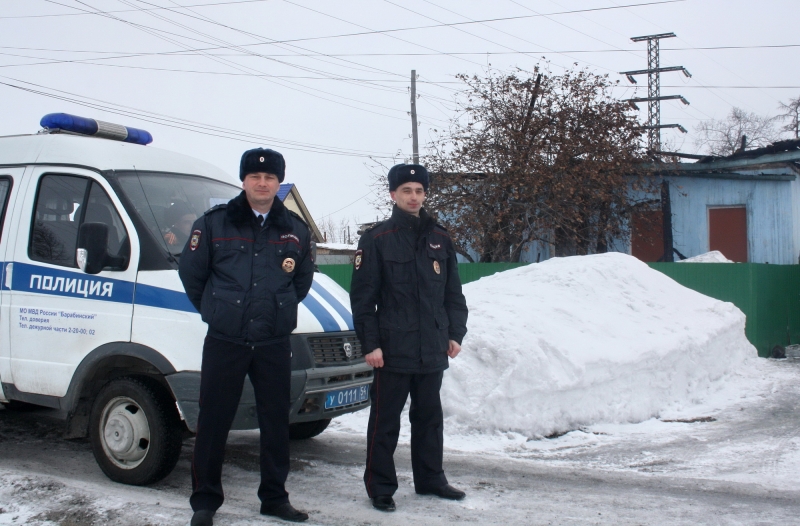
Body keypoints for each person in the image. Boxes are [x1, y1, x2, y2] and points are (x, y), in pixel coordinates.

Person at [179, 148, 314, 525]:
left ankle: (274, 498)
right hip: (227, 340)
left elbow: (300, 281)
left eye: (270, 177)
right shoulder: (214, 224)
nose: (262, 183)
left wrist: (277, 308)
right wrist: (217, 310)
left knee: (275, 422)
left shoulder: (295, 230)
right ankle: (205, 501)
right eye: (255, 177)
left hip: (272, 342)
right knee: (214, 421)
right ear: (244, 180)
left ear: (278, 182)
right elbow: (193, 275)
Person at [349, 163, 469, 512]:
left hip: (432, 347)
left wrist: (455, 333)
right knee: (385, 422)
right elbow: (363, 299)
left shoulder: (441, 238)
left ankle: (431, 479)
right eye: (406, 191)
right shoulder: (376, 239)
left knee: (430, 418)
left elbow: (453, 294)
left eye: (419, 190)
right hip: (392, 349)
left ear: (425, 194)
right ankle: (380, 487)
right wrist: (370, 344)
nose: (413, 197)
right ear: (393, 195)